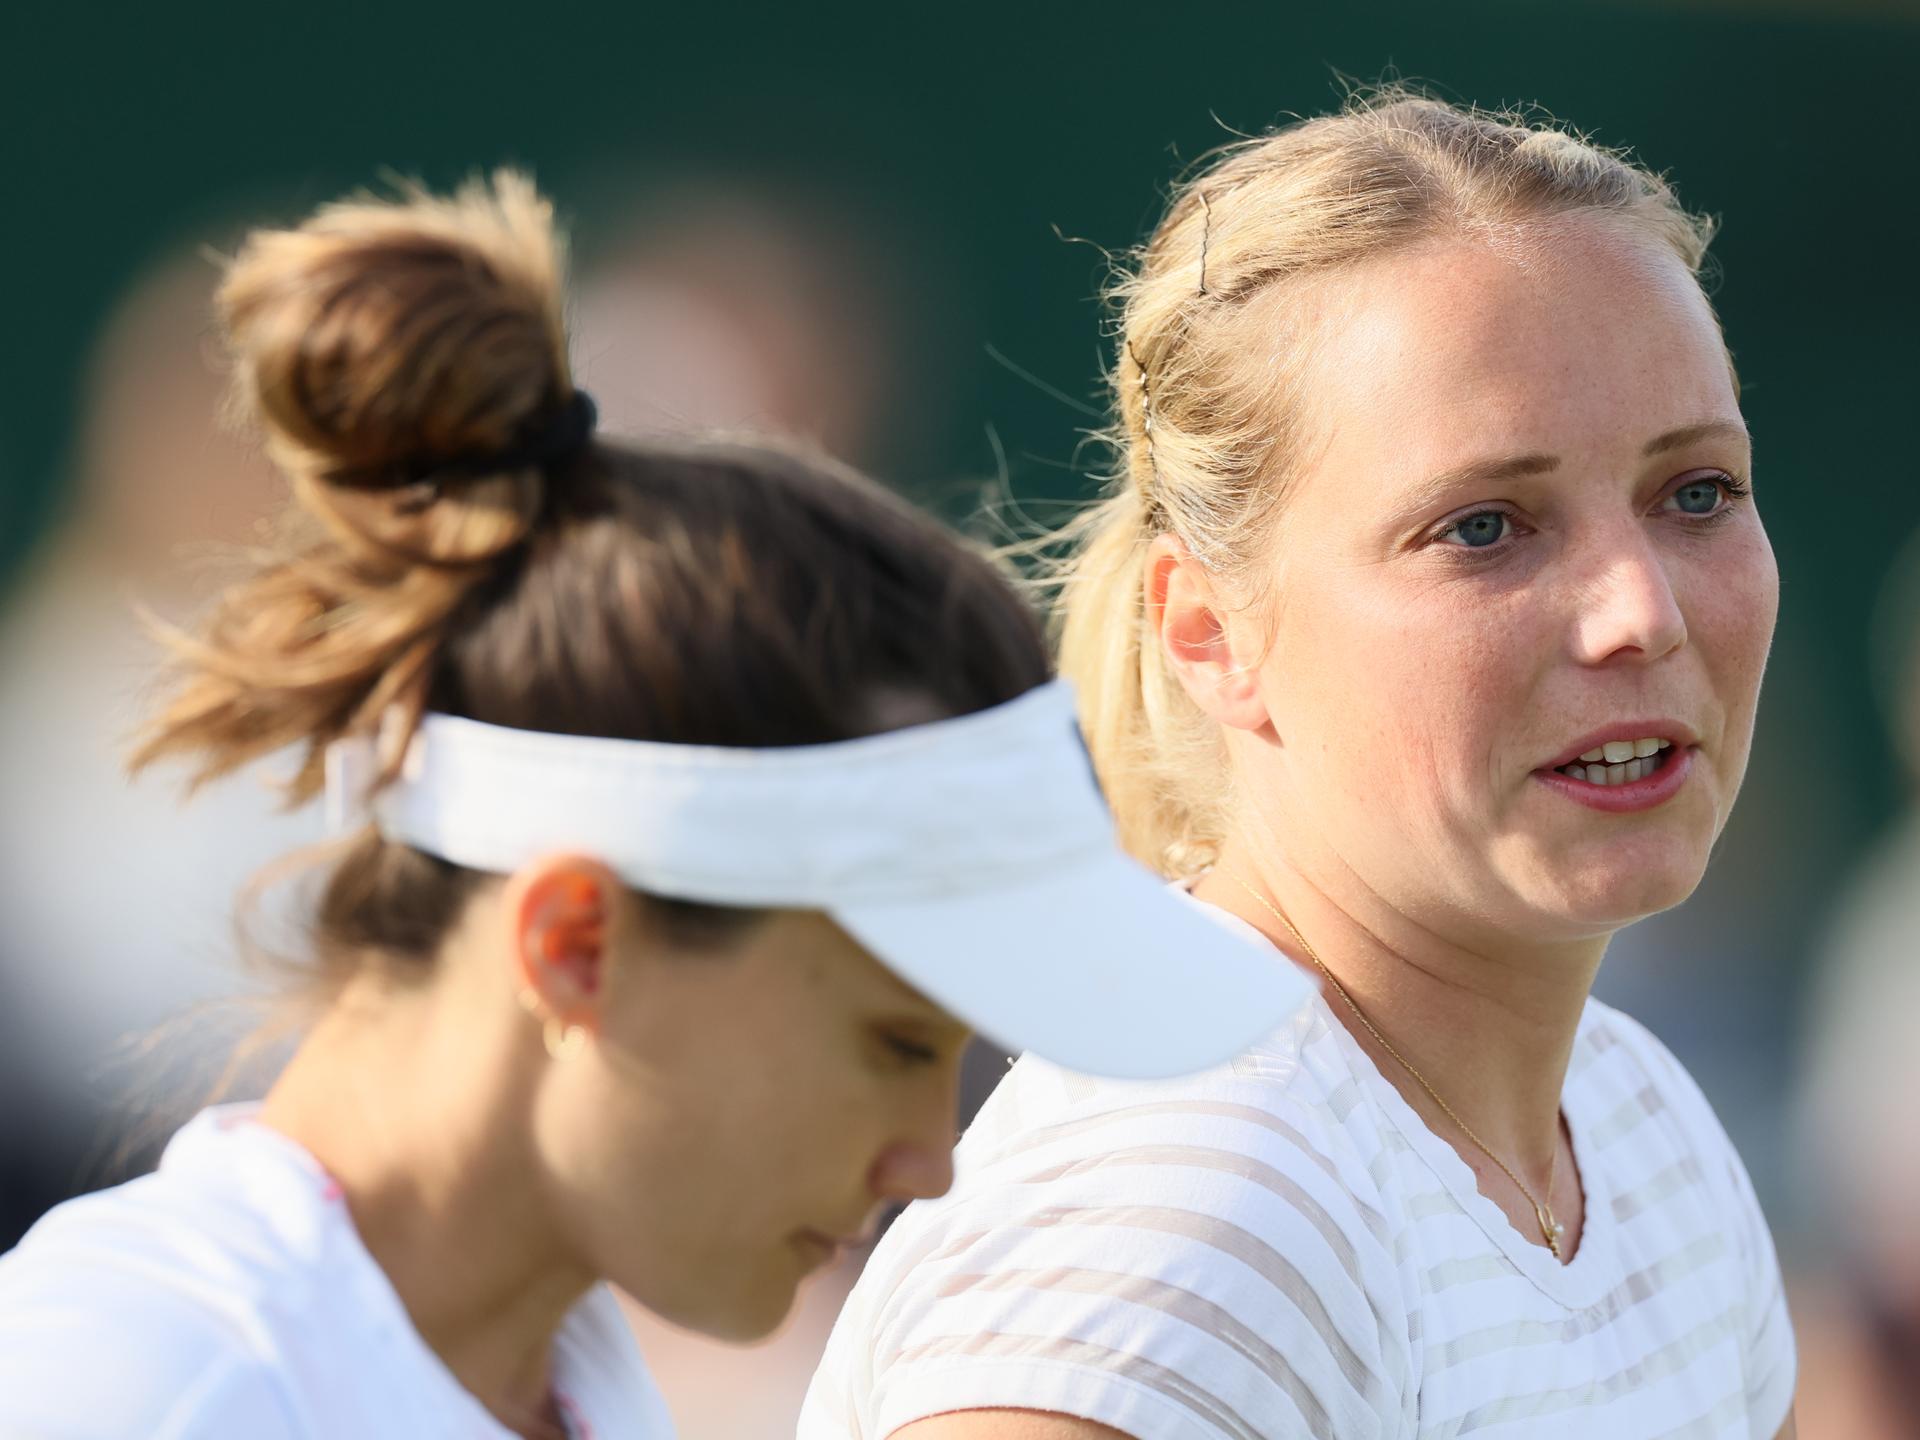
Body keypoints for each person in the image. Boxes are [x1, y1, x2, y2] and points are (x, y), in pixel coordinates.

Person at [0, 173, 1310, 1440]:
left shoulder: (564, 1379)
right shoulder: (143, 1393)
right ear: (574, 942)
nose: (928, 1161)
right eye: (894, 1043)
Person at [802, 89, 1798, 1439]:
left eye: (1698, 493)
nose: (1642, 612)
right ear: (1210, 634)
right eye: (1486, 527)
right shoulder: (1183, 1224)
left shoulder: (1639, 1127)